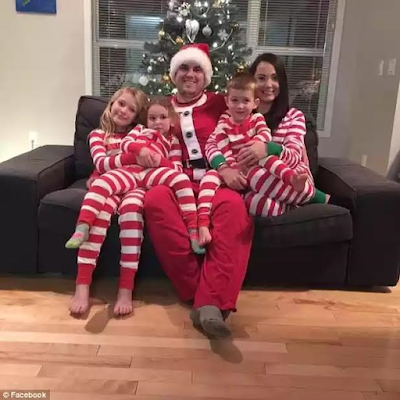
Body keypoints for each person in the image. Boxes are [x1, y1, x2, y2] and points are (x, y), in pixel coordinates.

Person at [144, 43, 254, 337]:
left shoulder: (220, 102)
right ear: (173, 74)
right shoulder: (160, 108)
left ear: (206, 76)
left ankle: (210, 302)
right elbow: (131, 133)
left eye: (197, 69)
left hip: (216, 179)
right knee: (154, 200)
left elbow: (251, 111)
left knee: (234, 208)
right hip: (174, 180)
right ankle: (204, 298)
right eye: (183, 67)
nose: (190, 74)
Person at [69, 93, 207, 316]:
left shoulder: (145, 134)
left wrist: (150, 159)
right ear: (112, 104)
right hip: (115, 182)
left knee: (132, 215)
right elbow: (103, 164)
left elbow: (172, 167)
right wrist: (135, 156)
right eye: (121, 104)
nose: (124, 111)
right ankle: (82, 284)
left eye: (131, 109)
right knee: (99, 216)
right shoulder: (100, 135)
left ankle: (126, 289)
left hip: (137, 185)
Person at [199, 73, 328, 245]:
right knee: (256, 203)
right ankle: (201, 224)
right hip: (241, 177)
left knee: (262, 168)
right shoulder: (224, 122)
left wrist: (264, 147)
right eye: (261, 78)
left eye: (274, 78)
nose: (268, 84)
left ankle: (310, 193)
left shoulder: (275, 117)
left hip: (272, 170)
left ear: (255, 102)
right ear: (227, 101)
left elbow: (289, 153)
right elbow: (214, 145)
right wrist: (226, 168)